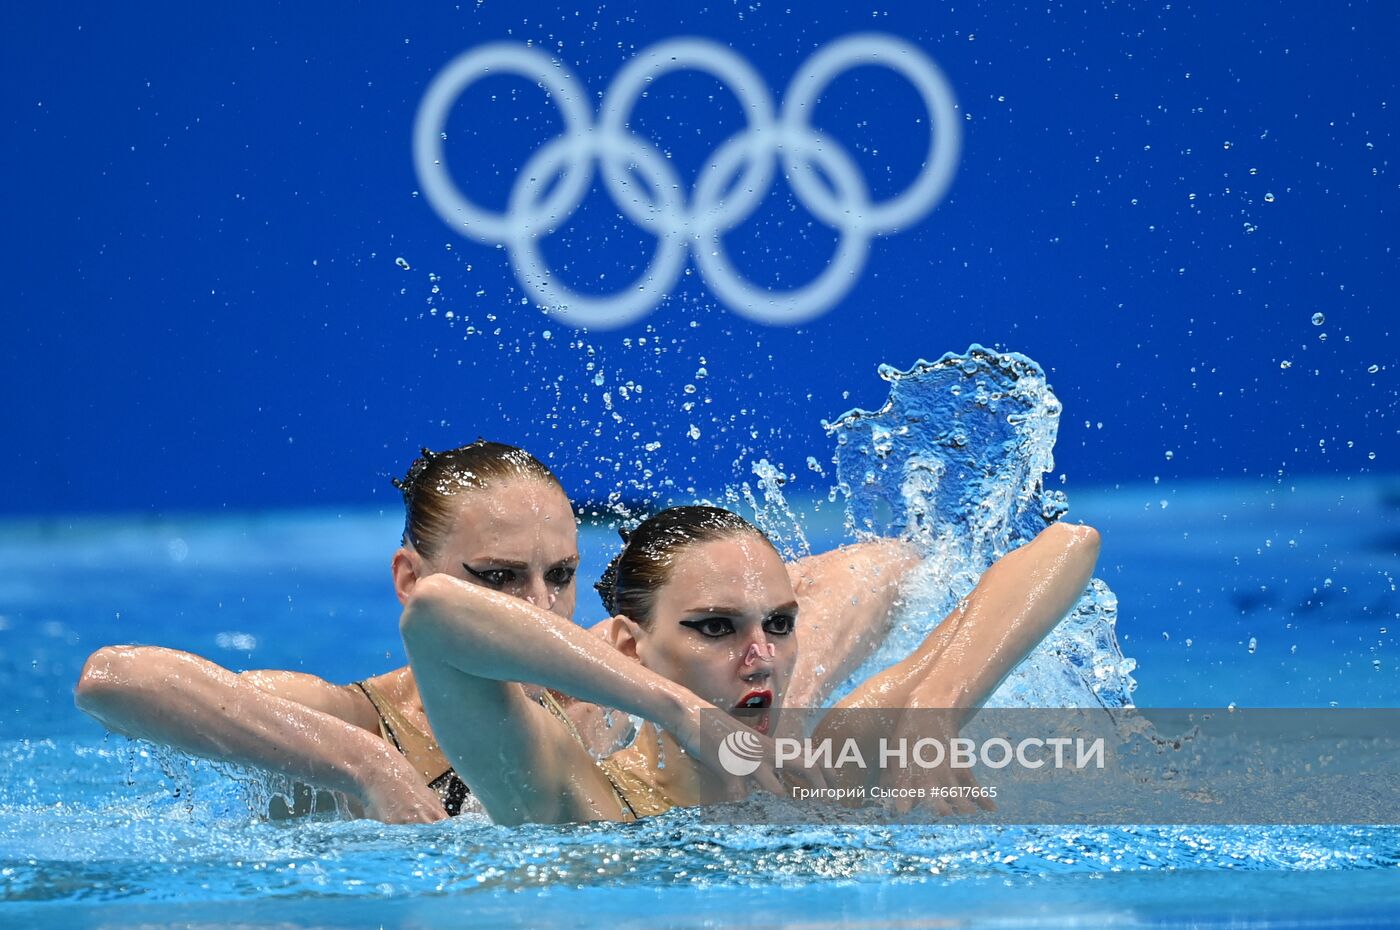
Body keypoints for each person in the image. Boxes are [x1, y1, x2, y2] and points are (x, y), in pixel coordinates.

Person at [75, 443, 919, 823]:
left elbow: (879, 566)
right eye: (500, 578)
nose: (540, 607)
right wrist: (364, 768)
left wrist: (772, 704)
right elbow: (113, 679)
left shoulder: (610, 670)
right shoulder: (358, 720)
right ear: (412, 579)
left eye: (559, 575)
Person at [400, 505, 1101, 825]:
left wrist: (936, 706)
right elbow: (434, 611)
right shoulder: (579, 799)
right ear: (628, 646)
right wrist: (678, 709)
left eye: (780, 625)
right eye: (715, 628)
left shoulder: (827, 775)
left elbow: (1067, 545)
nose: (761, 659)